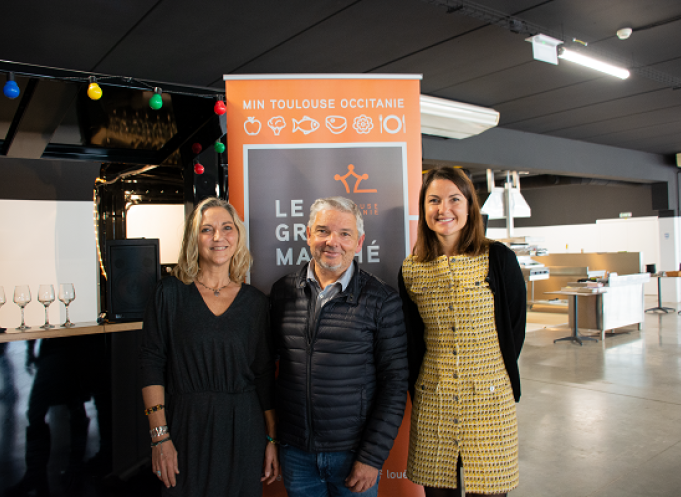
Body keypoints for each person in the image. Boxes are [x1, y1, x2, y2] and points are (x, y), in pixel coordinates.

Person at [399, 167, 526, 497]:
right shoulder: (411, 268)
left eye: (455, 199)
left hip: (490, 396)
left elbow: (515, 326)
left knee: (491, 490)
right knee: (438, 491)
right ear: (424, 208)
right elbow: (411, 337)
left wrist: (491, 370)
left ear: (470, 206)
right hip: (434, 398)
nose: (444, 209)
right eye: (434, 200)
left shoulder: (497, 258)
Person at [270, 196, 408, 496]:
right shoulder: (281, 292)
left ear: (358, 243)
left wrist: (371, 457)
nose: (333, 242)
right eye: (323, 231)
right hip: (296, 453)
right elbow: (266, 369)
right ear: (308, 235)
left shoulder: (382, 300)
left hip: (354, 455)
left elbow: (395, 385)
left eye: (345, 234)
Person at [139, 197, 278, 496]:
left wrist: (271, 440)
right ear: (194, 239)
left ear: (237, 236)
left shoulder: (256, 303)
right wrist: (160, 438)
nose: (218, 237)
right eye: (207, 230)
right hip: (184, 427)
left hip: (243, 429)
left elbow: (264, 375)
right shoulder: (169, 294)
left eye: (227, 228)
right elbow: (151, 365)